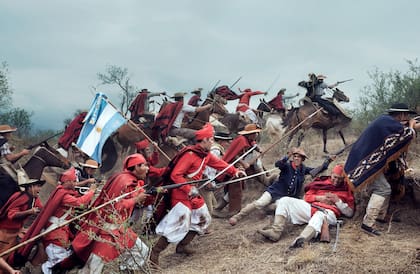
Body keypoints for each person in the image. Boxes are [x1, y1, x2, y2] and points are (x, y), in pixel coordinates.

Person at [150, 123, 245, 267]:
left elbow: (220, 164)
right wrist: (188, 189)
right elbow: (176, 176)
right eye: (211, 139)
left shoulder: (205, 155)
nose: (212, 142)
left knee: (203, 219)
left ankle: (182, 246)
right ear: (204, 140)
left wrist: (234, 171)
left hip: (193, 193)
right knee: (178, 224)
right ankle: (154, 254)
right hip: (181, 194)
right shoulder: (190, 155)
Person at [52, 154, 151, 273]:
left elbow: (136, 193)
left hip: (120, 229)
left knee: (141, 251)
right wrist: (135, 199)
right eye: (144, 165)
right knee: (93, 268)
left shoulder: (128, 179)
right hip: (108, 230)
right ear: (135, 167)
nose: (147, 168)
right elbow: (113, 206)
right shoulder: (124, 180)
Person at [345, 103, 420, 236]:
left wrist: (411, 126)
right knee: (383, 189)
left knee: (386, 184)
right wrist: (412, 126)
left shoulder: (385, 121)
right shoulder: (388, 122)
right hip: (364, 164)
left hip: (364, 161)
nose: (407, 117)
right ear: (401, 115)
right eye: (406, 115)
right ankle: (367, 224)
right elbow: (406, 134)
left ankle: (380, 215)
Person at [229, 147, 334, 226]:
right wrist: (287, 156)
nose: (296, 158)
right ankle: (237, 217)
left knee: (276, 207)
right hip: (274, 191)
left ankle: (267, 210)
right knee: (259, 203)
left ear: (302, 159)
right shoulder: (287, 166)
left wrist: (328, 161)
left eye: (299, 157)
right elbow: (278, 164)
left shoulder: (303, 169)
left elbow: (316, 170)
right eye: (295, 156)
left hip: (284, 198)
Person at [258, 164, 354, 248]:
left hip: (328, 213)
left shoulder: (346, 189)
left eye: (340, 179)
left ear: (344, 179)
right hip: (311, 207)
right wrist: (318, 198)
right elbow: (306, 197)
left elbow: (349, 213)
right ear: (331, 174)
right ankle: (275, 232)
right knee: (285, 200)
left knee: (319, 215)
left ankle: (302, 239)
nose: (336, 181)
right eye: (335, 177)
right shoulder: (321, 183)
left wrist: (338, 201)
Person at [38, 167, 96, 274]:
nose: (75, 184)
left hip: (61, 233)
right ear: (68, 182)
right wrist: (91, 191)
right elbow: (79, 203)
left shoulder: (63, 191)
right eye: (74, 181)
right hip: (55, 234)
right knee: (57, 265)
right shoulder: (63, 195)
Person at [212, 124, 262, 218]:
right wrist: (243, 164)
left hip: (237, 167)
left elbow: (253, 143)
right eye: (255, 133)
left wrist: (258, 148)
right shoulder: (241, 140)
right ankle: (229, 210)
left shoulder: (249, 139)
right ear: (250, 134)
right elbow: (234, 155)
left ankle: (218, 208)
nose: (256, 135)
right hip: (231, 166)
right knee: (235, 186)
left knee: (236, 186)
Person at [0, 178, 44, 255]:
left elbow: (42, 209)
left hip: (16, 231)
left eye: (40, 186)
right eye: (38, 186)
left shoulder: (35, 199)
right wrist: (29, 212)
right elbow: (12, 215)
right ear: (31, 187)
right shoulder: (20, 196)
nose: (40, 189)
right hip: (6, 231)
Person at [201, 132, 233, 214]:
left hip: (207, 179)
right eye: (227, 141)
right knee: (209, 210)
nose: (228, 144)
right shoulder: (215, 150)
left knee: (214, 205)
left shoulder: (215, 149)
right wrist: (208, 181)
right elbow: (208, 167)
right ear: (221, 142)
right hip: (205, 180)